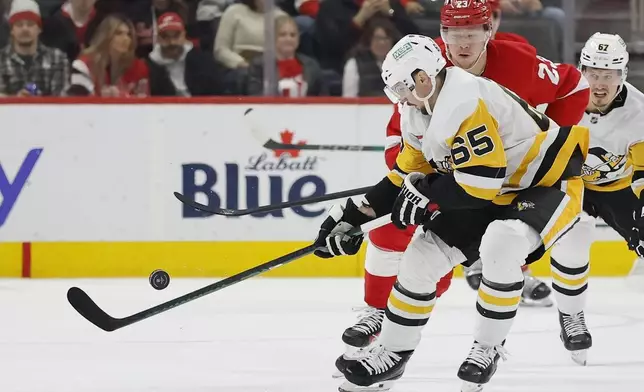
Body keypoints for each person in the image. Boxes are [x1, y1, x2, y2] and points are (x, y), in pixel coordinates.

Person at [315, 34, 589, 392]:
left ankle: (487, 347)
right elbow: (404, 175)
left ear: (423, 79)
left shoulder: (465, 99)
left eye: (401, 87)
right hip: (493, 189)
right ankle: (393, 353)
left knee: (500, 244)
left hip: (546, 183)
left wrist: (426, 197)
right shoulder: (417, 110)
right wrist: (352, 215)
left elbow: (481, 181)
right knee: (420, 259)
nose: (398, 97)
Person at [550, 32, 644, 365]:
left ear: (623, 75)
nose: (600, 84)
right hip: (569, 183)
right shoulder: (558, 99)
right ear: (582, 70)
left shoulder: (639, 110)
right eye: (594, 73)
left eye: (609, 75)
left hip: (617, 189)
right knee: (574, 238)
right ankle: (571, 317)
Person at [68, 14, 149, 97]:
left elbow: (144, 101)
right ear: (106, 36)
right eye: (118, 33)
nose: (125, 39)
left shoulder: (138, 67)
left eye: (128, 34)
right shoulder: (83, 65)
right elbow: (79, 103)